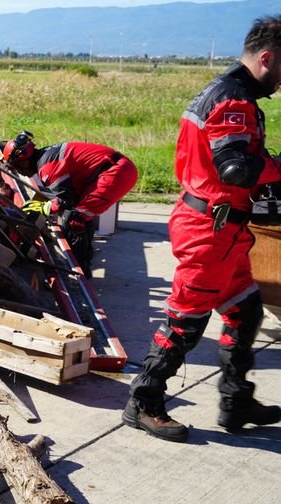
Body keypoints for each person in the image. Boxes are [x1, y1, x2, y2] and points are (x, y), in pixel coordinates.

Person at [124, 15, 281, 443]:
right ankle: (143, 403)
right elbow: (235, 169)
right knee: (185, 322)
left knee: (245, 311)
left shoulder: (230, 92)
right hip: (209, 231)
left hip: (225, 230)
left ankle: (236, 402)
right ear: (267, 58)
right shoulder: (233, 101)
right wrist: (276, 168)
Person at [5, 131, 138, 276]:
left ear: (23, 160)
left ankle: (79, 273)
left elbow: (66, 201)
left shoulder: (47, 168)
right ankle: (86, 257)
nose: (20, 172)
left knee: (74, 218)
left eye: (16, 167)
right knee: (80, 212)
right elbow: (68, 193)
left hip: (116, 173)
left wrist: (46, 207)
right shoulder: (47, 156)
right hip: (114, 169)